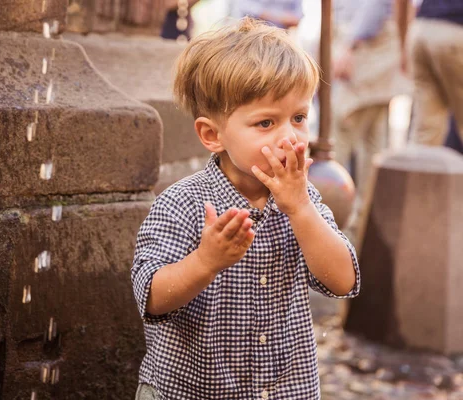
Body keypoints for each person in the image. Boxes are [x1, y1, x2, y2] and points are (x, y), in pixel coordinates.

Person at [131, 18, 360, 400]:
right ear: (213, 135)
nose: (289, 136)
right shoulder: (182, 202)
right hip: (191, 390)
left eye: (299, 118)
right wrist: (205, 261)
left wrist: (301, 209)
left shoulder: (305, 199)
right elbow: (151, 298)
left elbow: (342, 282)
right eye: (266, 122)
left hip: (284, 389)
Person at [331, 0, 409, 245]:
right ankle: (362, 230)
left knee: (339, 138)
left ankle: (336, 226)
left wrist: (348, 46)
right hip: (374, 49)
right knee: (373, 145)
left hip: (367, 50)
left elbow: (373, 7)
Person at [395, 0, 463, 146]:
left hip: (421, 30)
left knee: (426, 130)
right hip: (455, 29)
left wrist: (402, 47)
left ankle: (417, 168)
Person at [230, 0, 303, 29]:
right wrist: (283, 18)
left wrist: (265, 14)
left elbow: (296, 20)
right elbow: (246, 8)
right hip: (249, 36)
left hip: (280, 41)